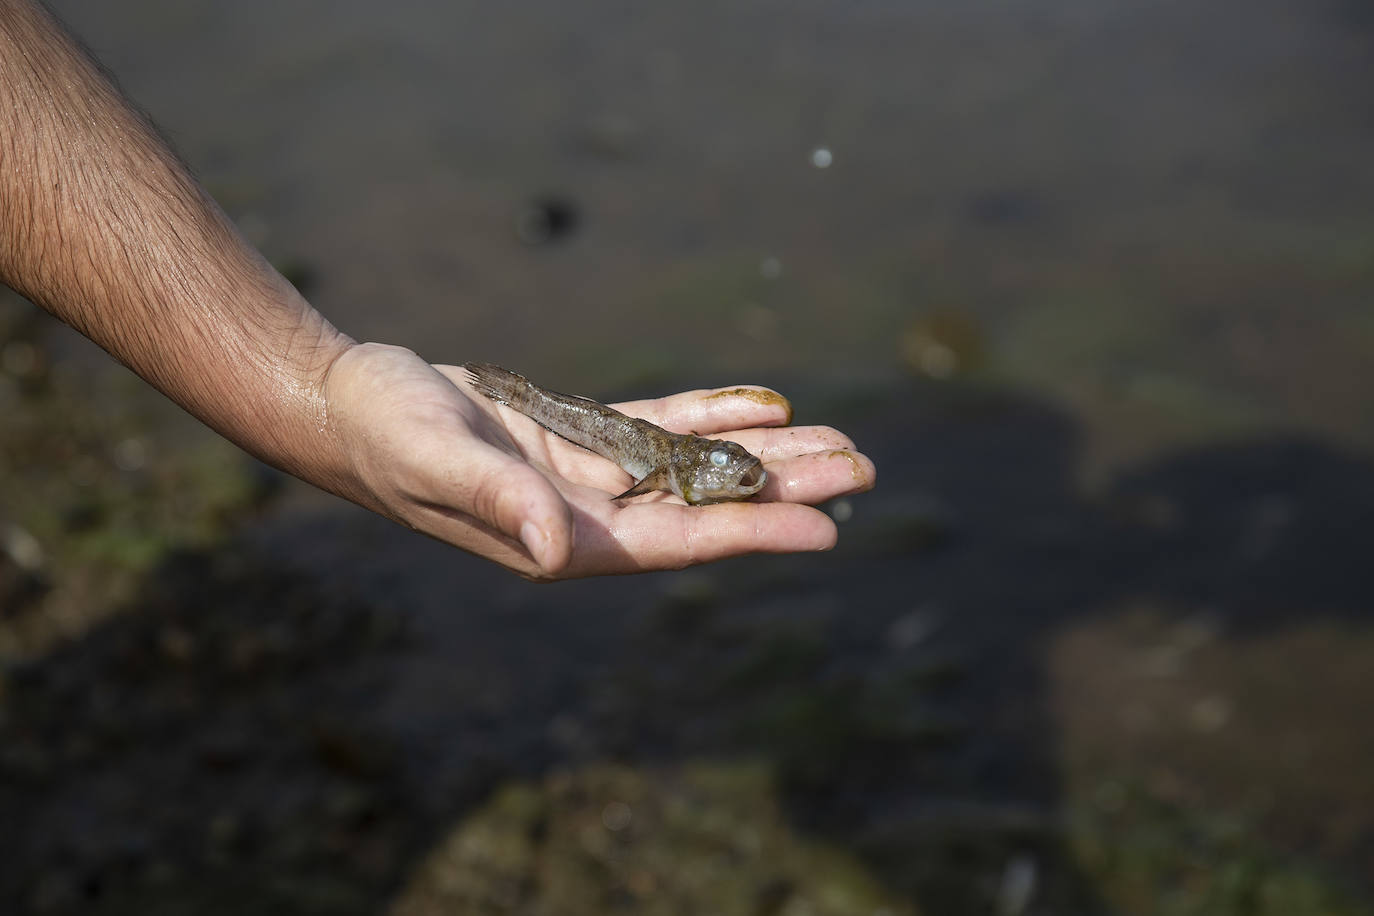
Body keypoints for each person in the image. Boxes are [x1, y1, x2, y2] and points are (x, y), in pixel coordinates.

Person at [0, 0, 875, 579]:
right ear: (690, 475)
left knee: (560, 410)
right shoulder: (665, 471)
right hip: (607, 434)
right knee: (549, 407)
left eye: (731, 474)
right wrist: (324, 397)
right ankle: (519, 395)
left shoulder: (678, 467)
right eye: (731, 471)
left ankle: (520, 395)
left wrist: (326, 387)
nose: (735, 474)